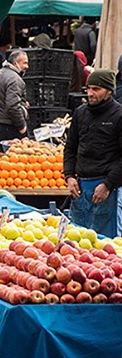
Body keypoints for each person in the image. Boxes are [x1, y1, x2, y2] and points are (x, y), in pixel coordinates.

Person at [63, 69, 122, 238]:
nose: (90, 93)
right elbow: (70, 148)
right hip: (80, 188)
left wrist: (108, 185)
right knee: (76, 240)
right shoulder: (81, 113)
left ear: (109, 91)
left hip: (106, 189)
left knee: (104, 243)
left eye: (96, 89)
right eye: (88, 88)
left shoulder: (118, 115)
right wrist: (69, 176)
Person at [0, 50, 29, 152]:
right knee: (13, 162)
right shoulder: (15, 79)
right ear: (15, 63)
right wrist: (22, 126)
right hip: (9, 127)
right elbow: (12, 106)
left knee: (0, 163)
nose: (27, 66)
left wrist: (22, 103)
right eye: (25, 63)